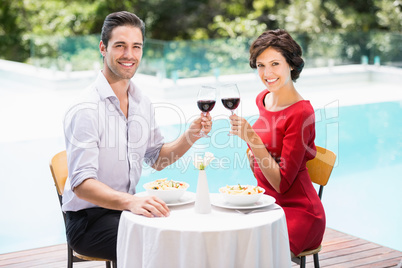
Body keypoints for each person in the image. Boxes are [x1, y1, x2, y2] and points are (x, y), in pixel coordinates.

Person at [62, 11, 212, 261]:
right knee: (165, 249)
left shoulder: (141, 101)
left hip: (123, 211)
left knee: (187, 236)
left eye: (136, 47)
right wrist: (130, 202)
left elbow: (157, 159)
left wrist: (190, 136)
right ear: (103, 47)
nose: (129, 55)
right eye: (120, 46)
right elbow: (82, 185)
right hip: (89, 222)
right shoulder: (86, 108)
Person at [229, 29, 325, 256]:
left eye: (274, 64)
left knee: (251, 253)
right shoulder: (262, 98)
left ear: (291, 64)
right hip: (266, 203)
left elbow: (283, 184)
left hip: (299, 212)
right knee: (225, 240)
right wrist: (254, 159)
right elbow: (266, 160)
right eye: (261, 65)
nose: (267, 73)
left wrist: (252, 139)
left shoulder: (301, 113)